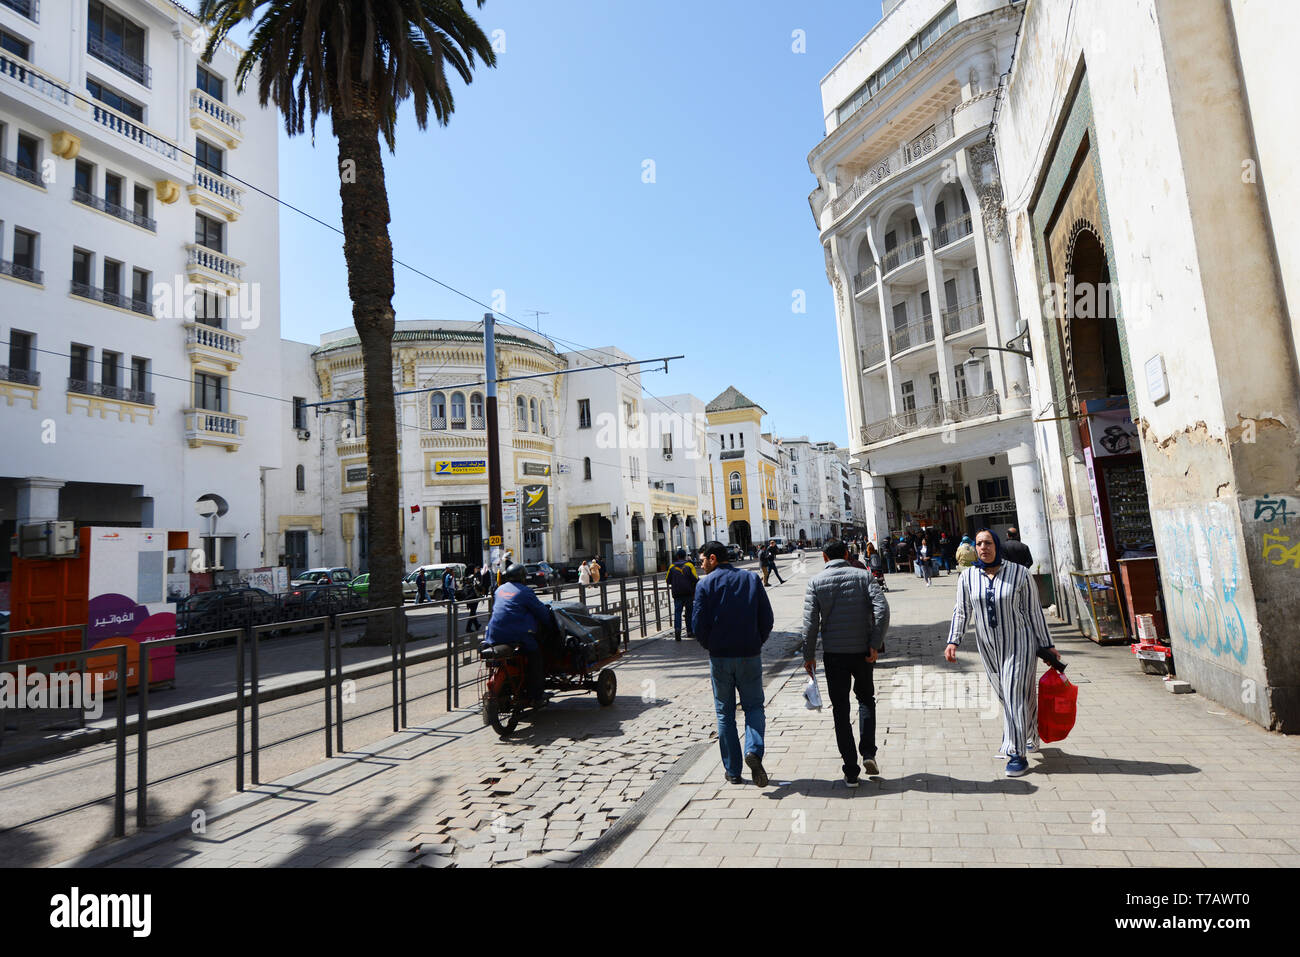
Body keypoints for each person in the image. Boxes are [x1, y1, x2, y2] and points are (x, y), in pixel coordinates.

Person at [945, 529, 1059, 777]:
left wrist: (1047, 644)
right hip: (988, 647)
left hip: (1020, 643)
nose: (983, 547)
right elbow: (962, 611)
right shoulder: (968, 577)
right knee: (1011, 695)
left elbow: (1033, 612)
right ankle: (1031, 733)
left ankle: (1015, 752)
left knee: (1013, 693)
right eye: (979, 544)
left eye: (988, 543)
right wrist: (953, 640)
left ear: (997, 545)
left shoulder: (1019, 574)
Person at [802, 540, 890, 785]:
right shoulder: (864, 576)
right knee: (865, 699)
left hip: (834, 655)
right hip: (862, 652)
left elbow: (810, 624)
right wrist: (875, 643)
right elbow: (882, 609)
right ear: (846, 554)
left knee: (840, 708)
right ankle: (869, 752)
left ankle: (851, 769)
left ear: (823, 557)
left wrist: (808, 656)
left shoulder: (815, 582)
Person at [692, 541, 774, 786]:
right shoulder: (750, 580)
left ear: (713, 558)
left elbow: (697, 625)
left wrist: (712, 644)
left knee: (724, 713)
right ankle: (754, 751)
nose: (702, 565)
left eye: (703, 560)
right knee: (754, 708)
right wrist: (756, 641)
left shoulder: (705, 584)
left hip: (720, 658)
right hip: (749, 655)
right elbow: (767, 618)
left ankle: (733, 770)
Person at [483, 563, 554, 707]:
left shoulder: (499, 590)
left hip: (493, 634)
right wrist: (550, 623)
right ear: (523, 577)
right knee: (535, 655)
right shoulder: (525, 591)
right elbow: (541, 612)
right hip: (516, 635)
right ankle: (537, 695)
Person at [665, 548, 699, 641]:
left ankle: (677, 630)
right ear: (685, 556)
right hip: (688, 593)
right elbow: (695, 578)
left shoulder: (672, 566)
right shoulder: (689, 565)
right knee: (689, 612)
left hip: (677, 593)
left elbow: (667, 580)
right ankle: (689, 631)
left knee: (677, 612)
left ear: (677, 556)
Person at [464, 566, 483, 632]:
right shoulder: (474, 577)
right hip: (473, 596)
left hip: (468, 597)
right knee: (472, 612)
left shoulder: (467, 577)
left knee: (473, 612)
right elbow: (478, 585)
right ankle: (468, 628)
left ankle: (477, 625)